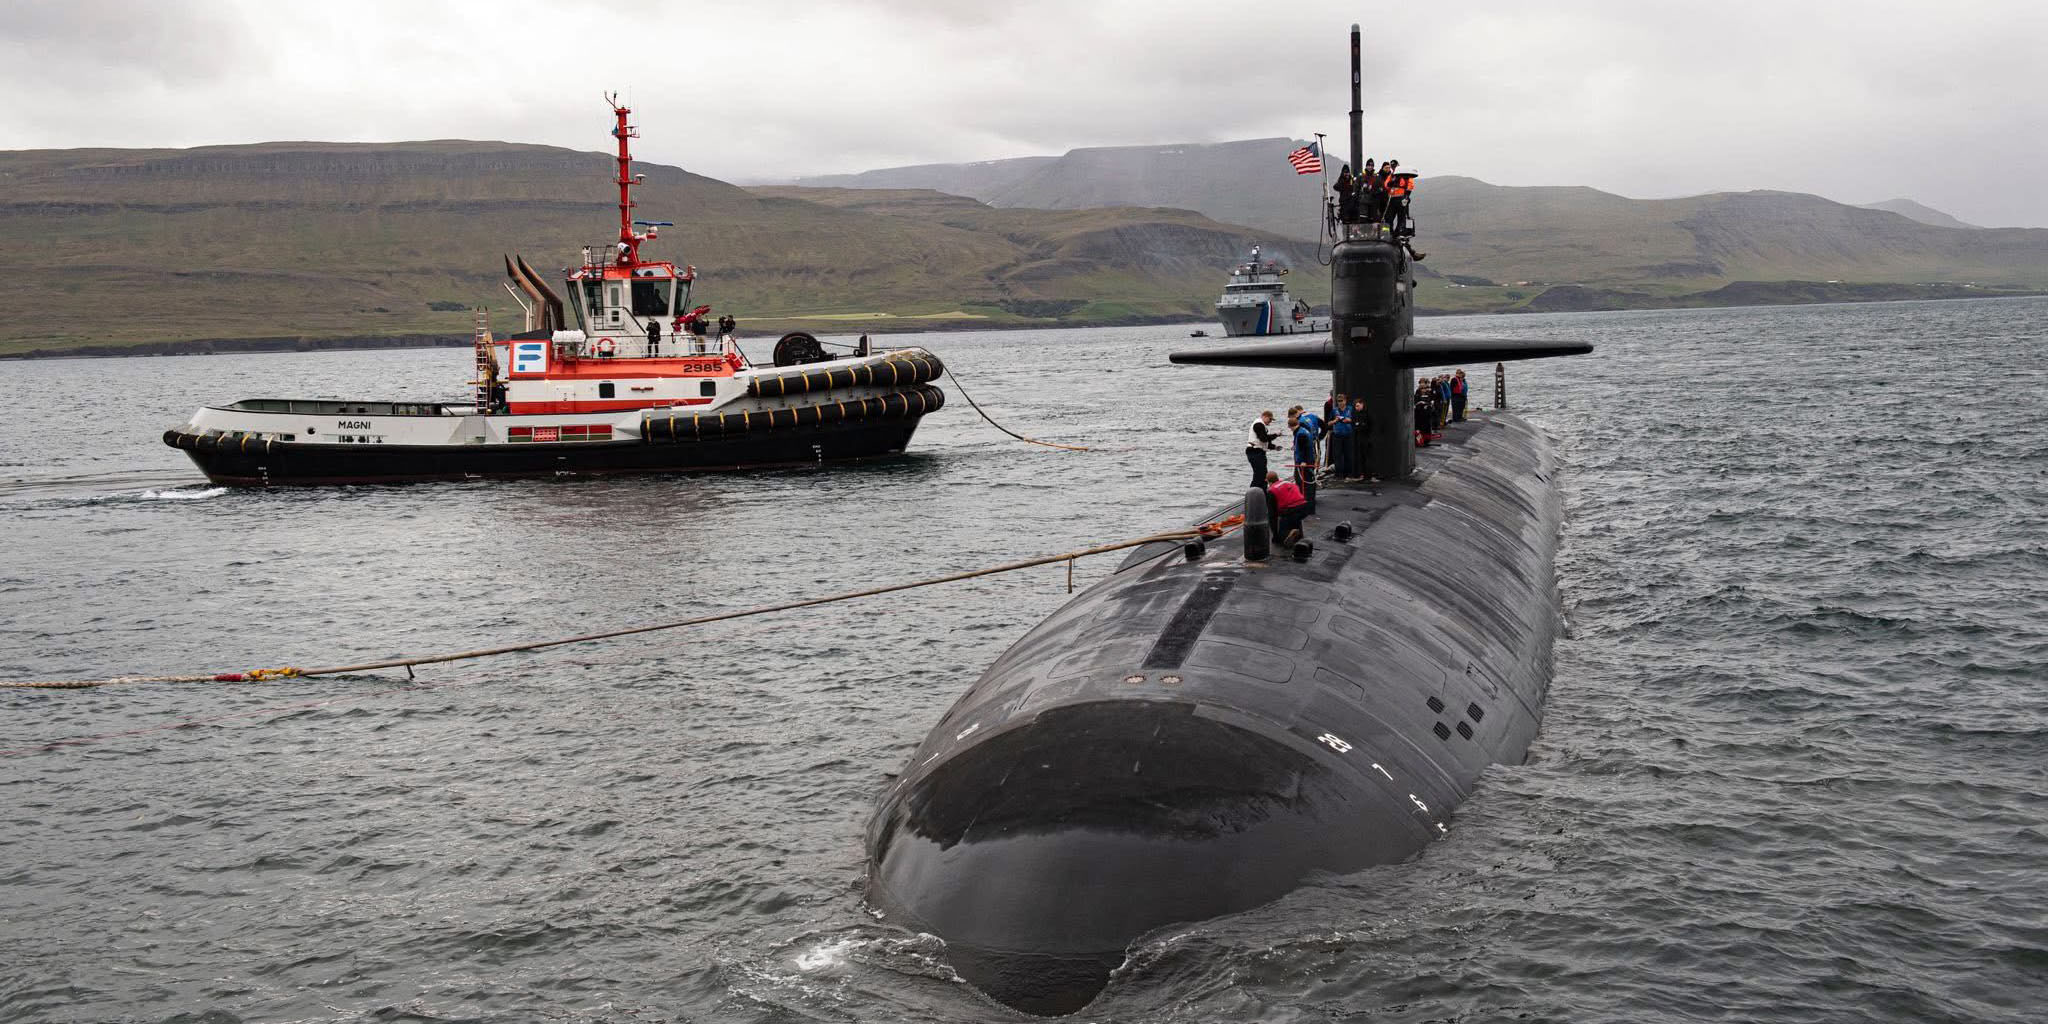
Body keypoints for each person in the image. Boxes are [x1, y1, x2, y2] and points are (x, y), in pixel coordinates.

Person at [1266, 471, 1308, 546]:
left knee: (1281, 534)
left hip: (1290, 511)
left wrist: (1275, 536)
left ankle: (1287, 534)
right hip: (1304, 508)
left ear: (1269, 482)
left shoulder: (1272, 490)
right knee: (1295, 517)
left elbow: (1272, 515)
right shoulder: (1289, 483)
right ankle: (1299, 533)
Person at [1246, 410, 1280, 487]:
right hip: (1254, 451)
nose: (1270, 421)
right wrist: (1276, 435)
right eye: (1270, 419)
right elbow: (1263, 439)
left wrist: (1274, 447)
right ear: (1264, 417)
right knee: (1259, 475)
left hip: (1258, 452)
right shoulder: (1258, 424)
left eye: (1271, 420)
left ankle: (1262, 490)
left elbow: (1263, 442)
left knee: (1263, 474)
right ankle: (1254, 491)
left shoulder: (1261, 425)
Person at [1329, 397, 1355, 480]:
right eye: (1338, 401)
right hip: (1337, 436)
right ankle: (1339, 474)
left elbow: (1355, 420)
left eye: (1341, 401)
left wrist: (1349, 420)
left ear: (1345, 401)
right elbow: (1329, 423)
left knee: (1348, 455)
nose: (1340, 403)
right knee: (1337, 455)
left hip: (1348, 435)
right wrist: (1335, 421)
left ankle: (1349, 474)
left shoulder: (1351, 409)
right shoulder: (1334, 411)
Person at [1350, 397, 1370, 478]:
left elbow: (1368, 425)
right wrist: (1359, 425)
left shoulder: (1367, 414)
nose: (1356, 408)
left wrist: (1359, 425)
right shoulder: (1355, 414)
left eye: (1358, 406)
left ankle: (1367, 474)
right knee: (1359, 456)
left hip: (1366, 438)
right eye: (1355, 406)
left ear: (1362, 404)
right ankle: (1360, 473)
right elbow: (1354, 425)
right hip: (1357, 438)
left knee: (1366, 456)